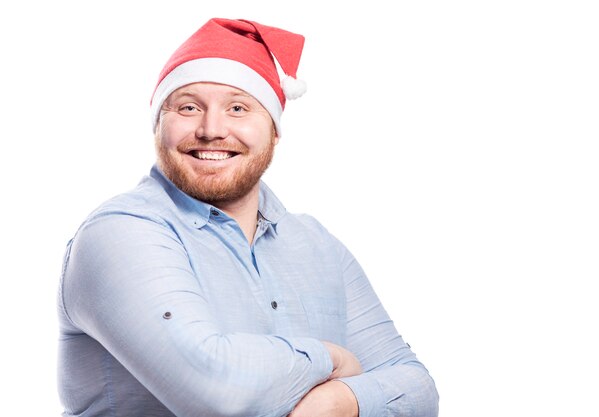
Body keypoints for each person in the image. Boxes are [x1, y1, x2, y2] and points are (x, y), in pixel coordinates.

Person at [57, 17, 439, 417]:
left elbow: (417, 389)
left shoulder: (317, 244)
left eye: (238, 108)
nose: (211, 129)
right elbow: (216, 394)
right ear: (158, 125)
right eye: (188, 107)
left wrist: (341, 401)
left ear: (274, 130)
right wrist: (332, 360)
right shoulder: (119, 233)